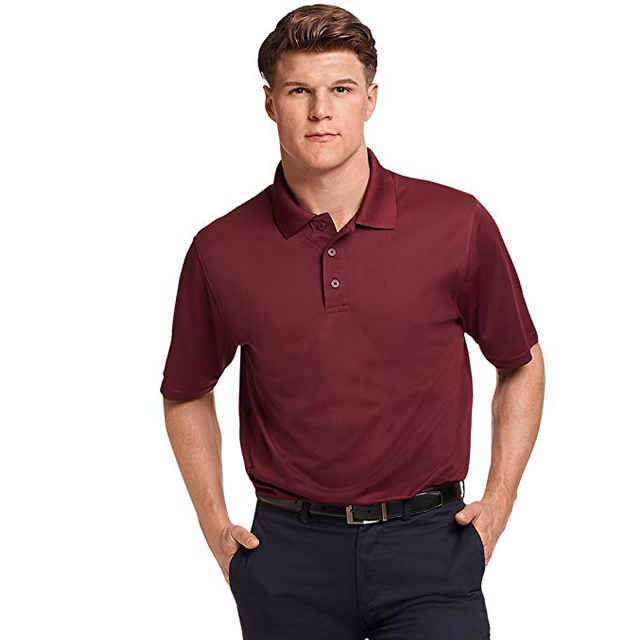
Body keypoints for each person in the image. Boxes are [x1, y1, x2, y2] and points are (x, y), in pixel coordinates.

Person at [160, 4, 545, 639]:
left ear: (370, 99)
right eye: (298, 91)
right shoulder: (219, 249)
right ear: (269, 103)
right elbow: (185, 392)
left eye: (340, 89)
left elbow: (521, 363)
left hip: (431, 547)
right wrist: (214, 524)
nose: (320, 111)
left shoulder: (457, 223)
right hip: (287, 556)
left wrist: (499, 502)